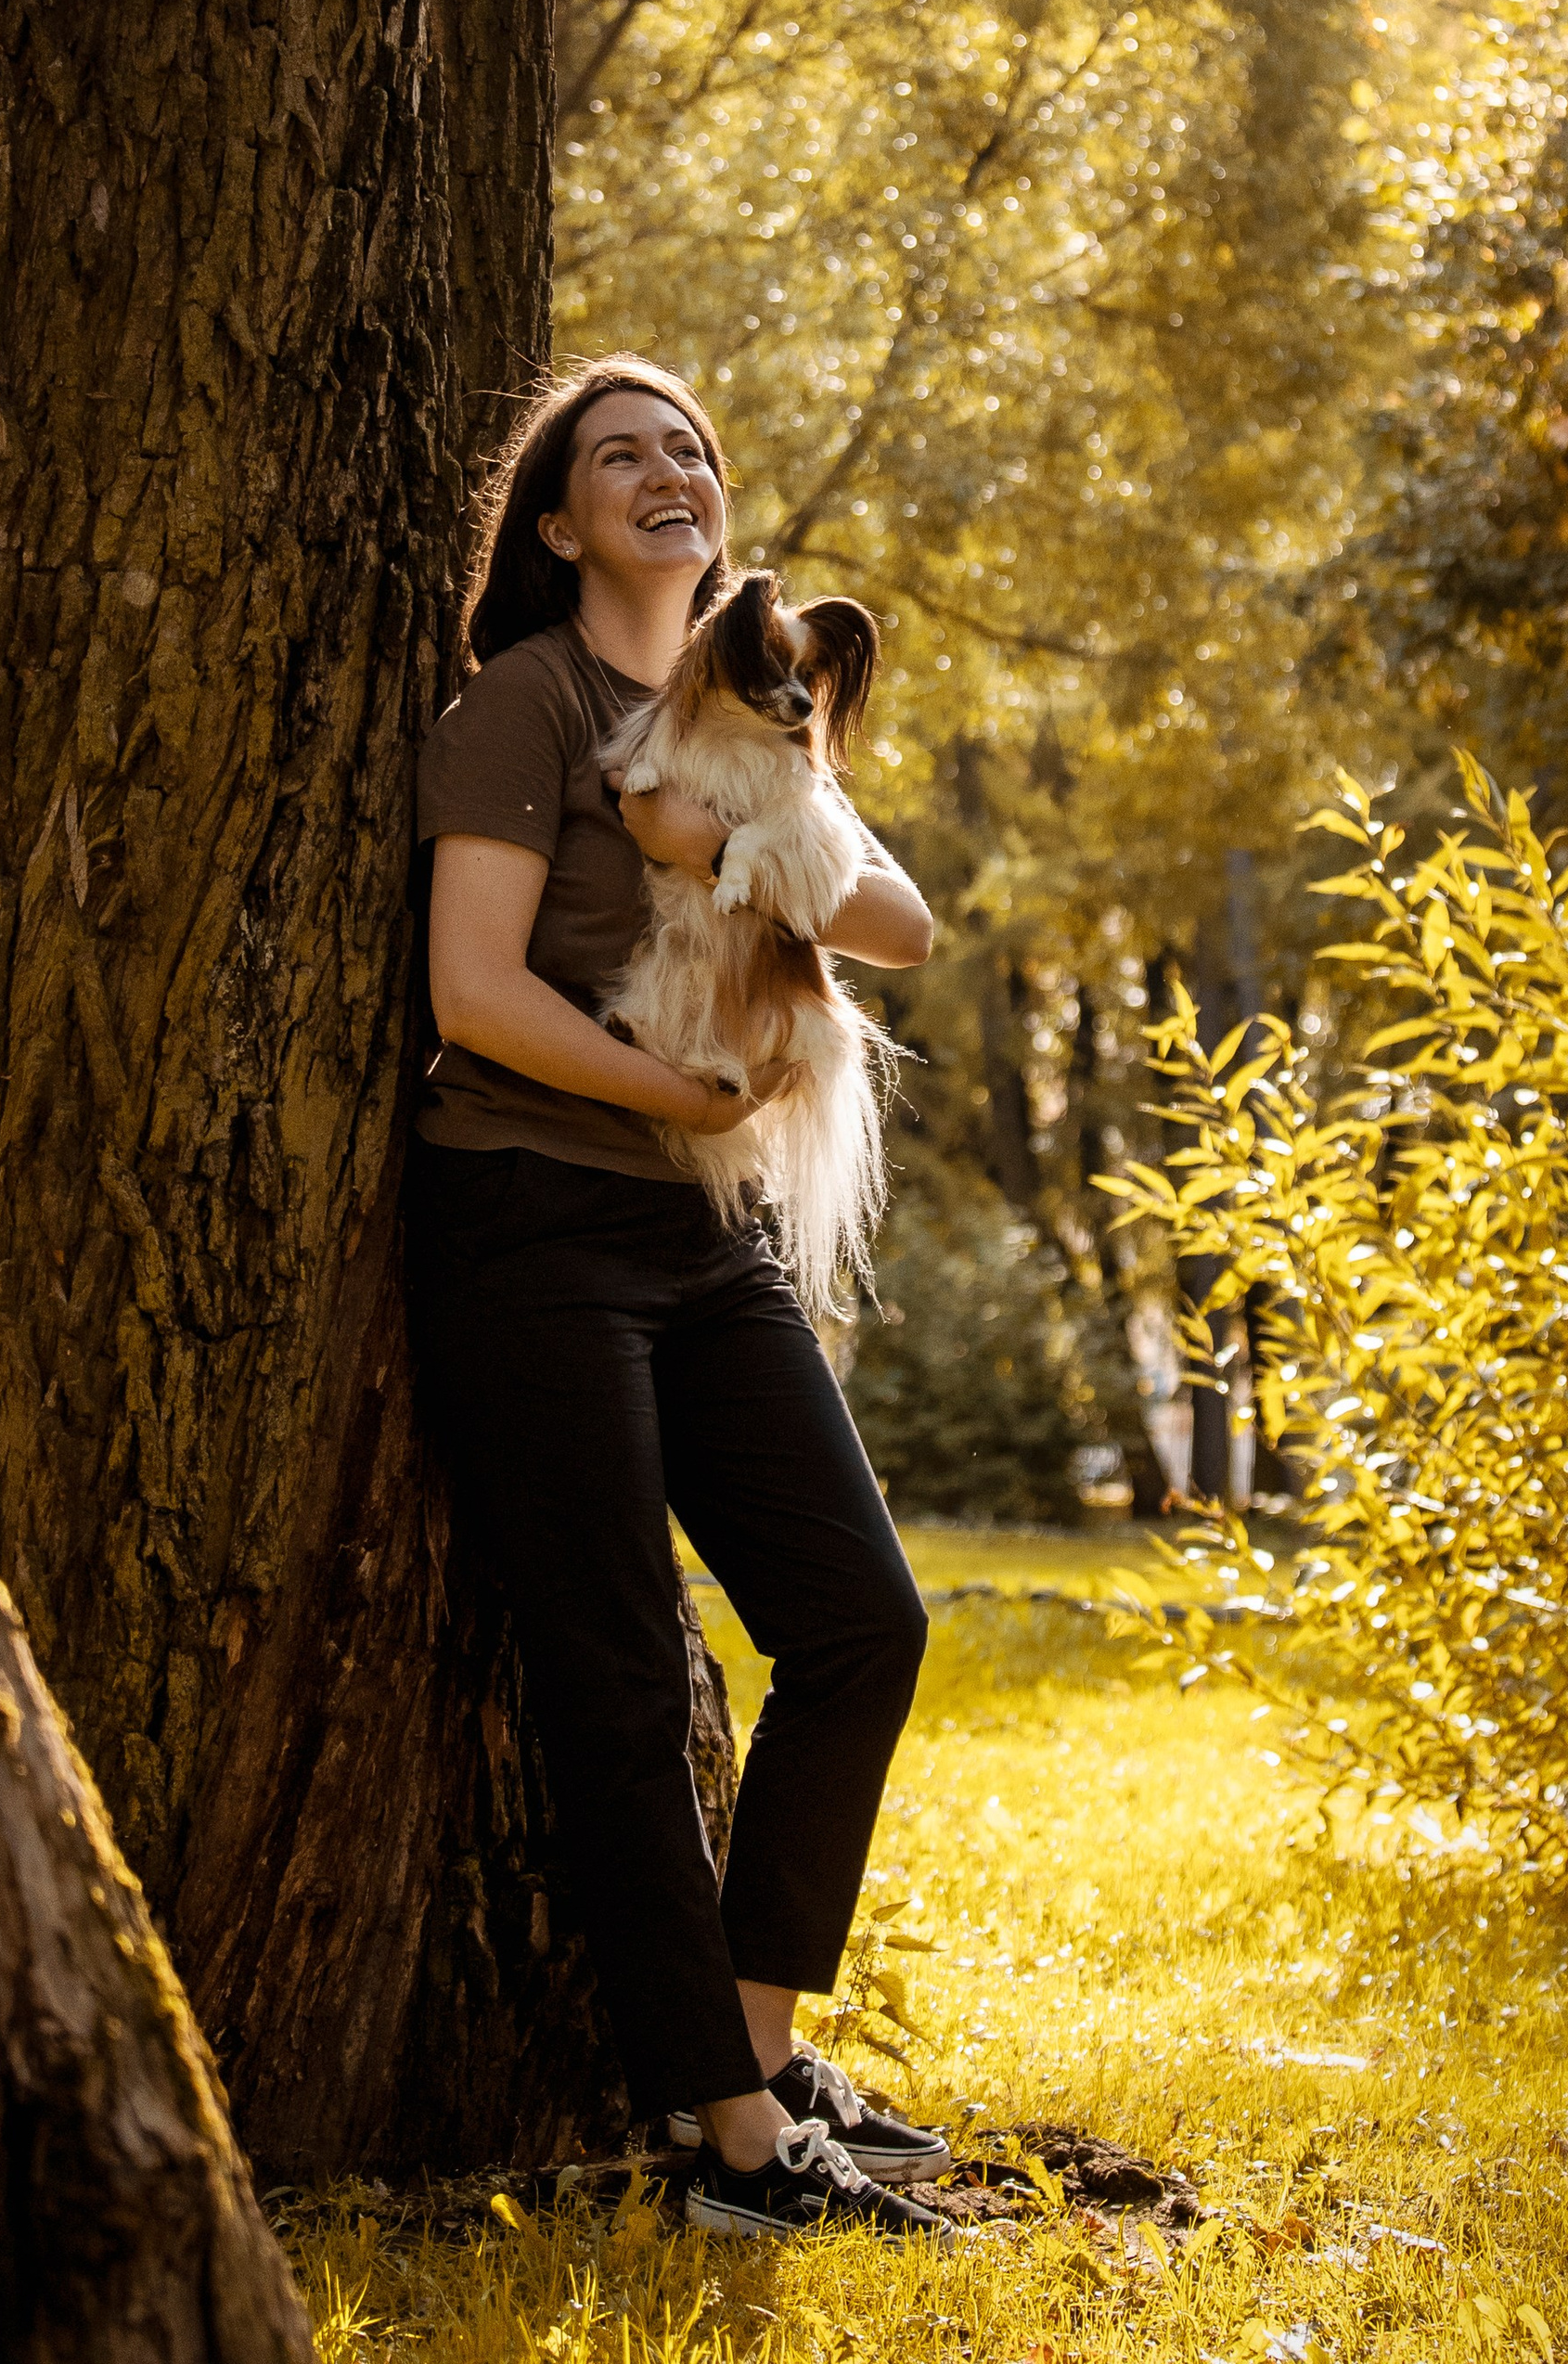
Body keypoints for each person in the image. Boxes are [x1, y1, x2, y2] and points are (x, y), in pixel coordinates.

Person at [409, 353, 958, 2244]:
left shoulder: (750, 695)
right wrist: (686, 1096)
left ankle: (752, 2047)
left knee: (859, 1619)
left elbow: (891, 917)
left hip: (697, 1238)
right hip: (535, 1220)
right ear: (555, 520)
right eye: (618, 452)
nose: (668, 469)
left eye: (691, 448)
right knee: (623, 1679)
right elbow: (474, 992)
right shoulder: (520, 706)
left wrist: (717, 842)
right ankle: (727, 2145)